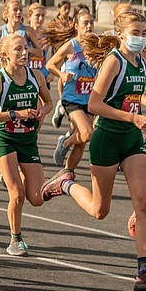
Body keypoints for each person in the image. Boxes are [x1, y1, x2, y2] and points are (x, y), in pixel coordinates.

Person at [41, 10, 146, 291]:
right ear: (120, 34)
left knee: (143, 203)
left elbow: (138, 98)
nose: (141, 37)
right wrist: (133, 118)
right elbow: (94, 105)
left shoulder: (140, 63)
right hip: (107, 138)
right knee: (100, 210)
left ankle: (144, 271)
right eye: (136, 33)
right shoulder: (114, 61)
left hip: (131, 140)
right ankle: (65, 183)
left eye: (144, 32)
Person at [0, 33, 53, 256]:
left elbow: (49, 102)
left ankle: (13, 174)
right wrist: (14, 114)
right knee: (17, 195)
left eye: (26, 48)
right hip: (5, 138)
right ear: (5, 54)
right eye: (18, 49)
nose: (24, 53)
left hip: (28, 139)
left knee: (37, 198)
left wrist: (41, 112)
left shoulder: (36, 76)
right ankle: (15, 239)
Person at [44, 11, 97, 172]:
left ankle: (66, 172)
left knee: (81, 143)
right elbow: (50, 65)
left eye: (91, 23)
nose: (89, 26)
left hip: (89, 99)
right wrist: (62, 74)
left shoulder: (96, 45)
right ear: (76, 26)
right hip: (72, 99)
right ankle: (65, 142)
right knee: (87, 133)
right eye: (85, 23)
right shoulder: (71, 46)